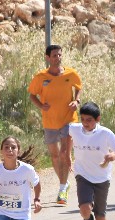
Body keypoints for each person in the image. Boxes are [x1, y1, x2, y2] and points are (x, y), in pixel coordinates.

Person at [68, 102, 115, 220]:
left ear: (98, 119)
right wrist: (67, 154)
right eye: (83, 119)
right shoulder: (75, 129)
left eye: (90, 120)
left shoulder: (105, 133)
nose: (86, 123)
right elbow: (66, 134)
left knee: (100, 215)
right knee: (85, 208)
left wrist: (113, 156)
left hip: (101, 177)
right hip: (83, 175)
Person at [28, 44, 82, 205]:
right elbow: (32, 95)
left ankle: (62, 189)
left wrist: (76, 100)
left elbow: (78, 87)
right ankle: (65, 182)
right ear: (47, 58)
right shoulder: (40, 77)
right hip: (50, 121)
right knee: (54, 155)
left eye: (59, 55)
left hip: (68, 119)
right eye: (54, 56)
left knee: (64, 153)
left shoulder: (70, 73)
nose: (57, 58)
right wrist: (40, 105)